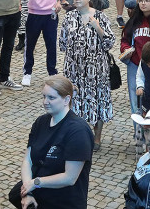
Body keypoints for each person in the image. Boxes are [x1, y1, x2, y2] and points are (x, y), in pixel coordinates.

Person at [10, 75, 94, 209]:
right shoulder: (40, 122)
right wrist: (28, 192)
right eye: (44, 96)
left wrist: (36, 182)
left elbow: (70, 178)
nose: (45, 102)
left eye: (51, 98)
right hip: (38, 199)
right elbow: (28, 160)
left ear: (67, 99)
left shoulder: (79, 132)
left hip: (63, 203)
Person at [59, 0, 115, 151]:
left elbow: (110, 43)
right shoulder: (69, 18)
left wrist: (98, 28)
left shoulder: (101, 17)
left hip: (96, 70)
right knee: (73, 102)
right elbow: (62, 44)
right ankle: (76, 137)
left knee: (97, 101)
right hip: (74, 70)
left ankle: (96, 138)